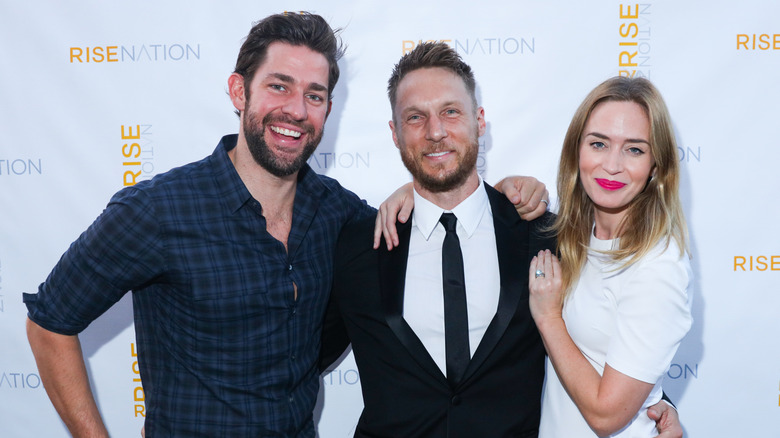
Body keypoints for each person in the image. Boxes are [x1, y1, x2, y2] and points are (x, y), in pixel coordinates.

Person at [23, 12, 546, 437]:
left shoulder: (338, 214)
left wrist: (431, 185)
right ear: (238, 92)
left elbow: (438, 205)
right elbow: (49, 321)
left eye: (314, 95)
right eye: (279, 86)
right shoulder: (159, 210)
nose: (295, 110)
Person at [321, 42, 682, 438]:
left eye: (451, 112)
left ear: (479, 120)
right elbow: (303, 357)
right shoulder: (356, 247)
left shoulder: (547, 237)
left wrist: (654, 400)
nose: (436, 131)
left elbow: (609, 339)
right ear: (395, 133)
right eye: (415, 117)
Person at [528, 76, 692, 437]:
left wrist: (549, 318)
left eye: (634, 149)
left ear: (656, 166)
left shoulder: (657, 267)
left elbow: (607, 416)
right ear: (577, 151)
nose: (612, 165)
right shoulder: (574, 238)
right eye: (599, 144)